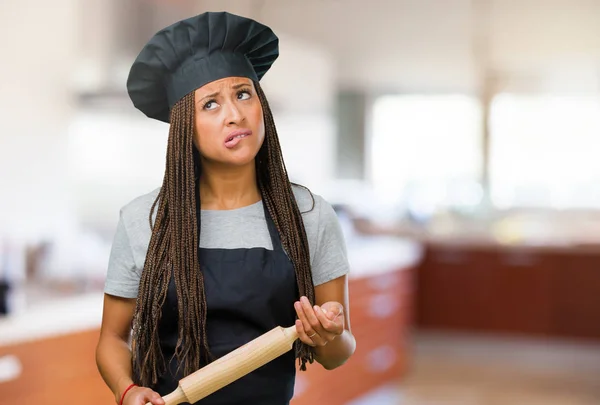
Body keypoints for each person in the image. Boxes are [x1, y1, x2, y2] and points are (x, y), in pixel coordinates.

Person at [95, 11, 356, 405]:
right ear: (186, 126)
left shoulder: (308, 215)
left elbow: (338, 352)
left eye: (243, 94)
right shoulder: (143, 220)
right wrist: (127, 389)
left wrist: (329, 335)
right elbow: (112, 340)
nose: (235, 114)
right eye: (211, 104)